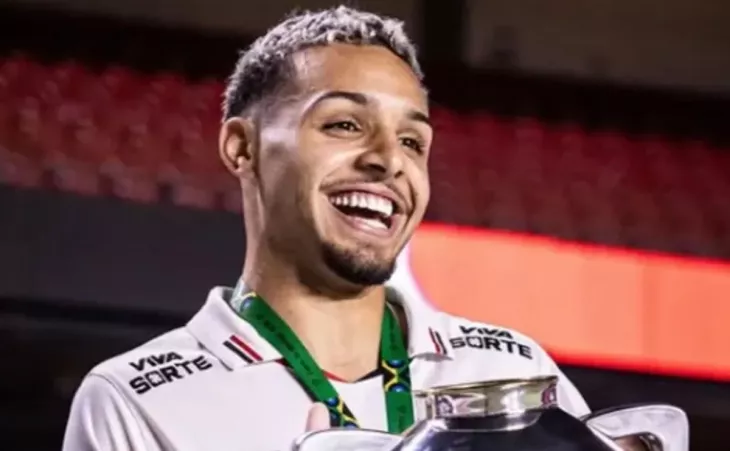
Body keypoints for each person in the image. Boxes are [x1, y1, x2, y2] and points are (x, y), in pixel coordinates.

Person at [62, 6, 640, 451]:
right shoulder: (137, 403)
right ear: (243, 147)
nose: (389, 160)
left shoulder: (512, 373)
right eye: (343, 124)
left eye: (412, 141)